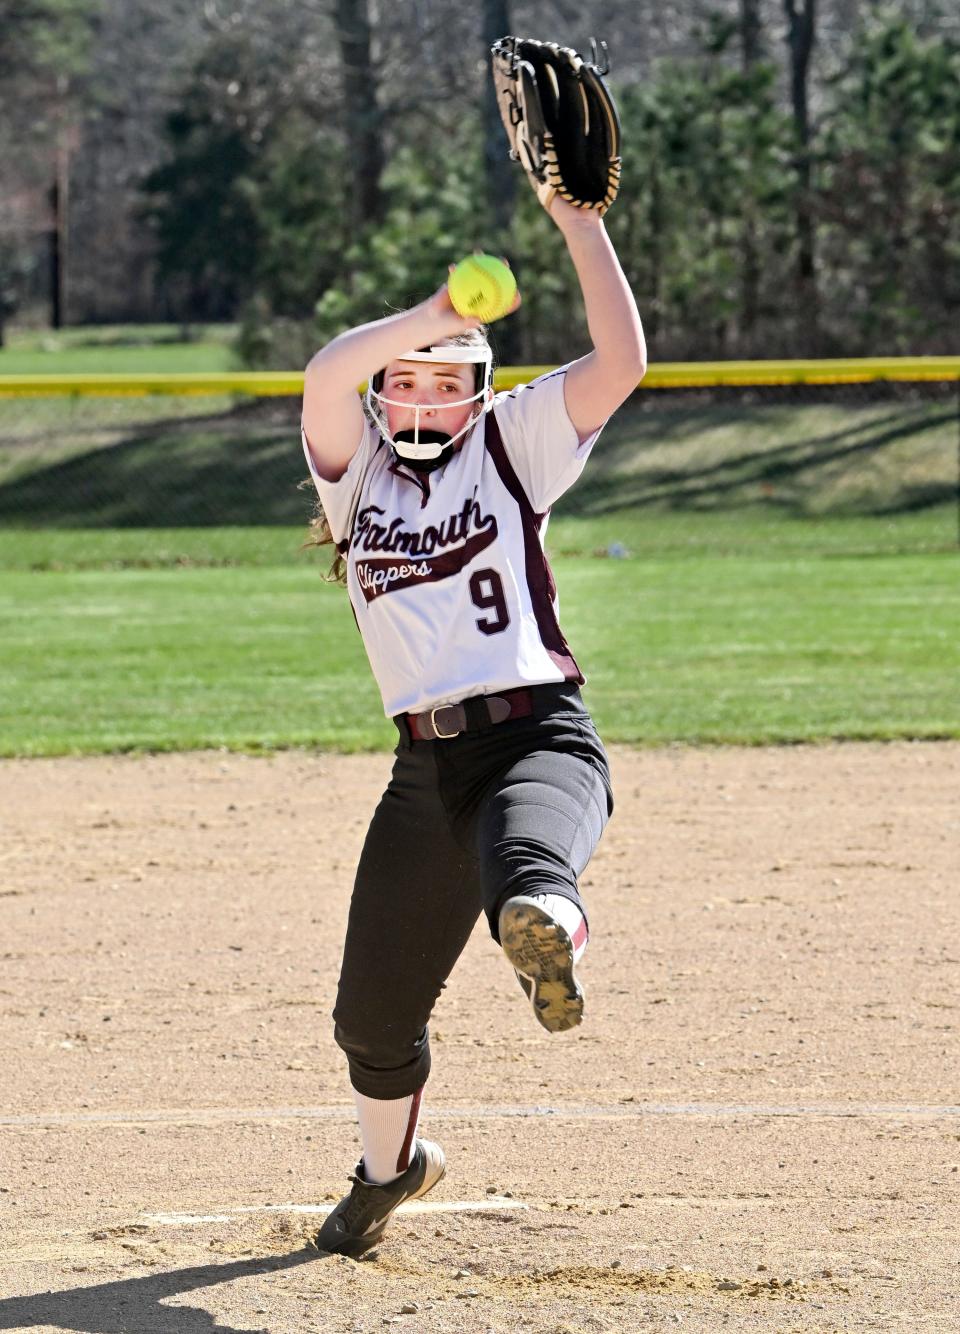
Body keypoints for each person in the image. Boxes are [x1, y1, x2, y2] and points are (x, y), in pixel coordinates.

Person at [300, 193, 645, 1257]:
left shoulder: (512, 444)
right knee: (368, 1021)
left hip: (537, 734)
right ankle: (388, 1171)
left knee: (529, 873)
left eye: (448, 380)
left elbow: (621, 360)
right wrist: (436, 310)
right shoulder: (354, 475)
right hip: (423, 770)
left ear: (478, 394)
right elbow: (324, 376)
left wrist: (580, 223)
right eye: (407, 377)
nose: (424, 395)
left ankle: (548, 941)